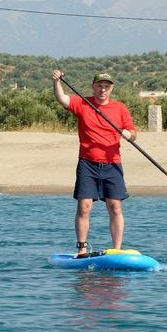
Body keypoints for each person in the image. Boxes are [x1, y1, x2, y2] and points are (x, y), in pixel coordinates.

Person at [52, 70, 137, 257]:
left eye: (106, 87)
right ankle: (82, 249)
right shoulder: (83, 103)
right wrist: (57, 82)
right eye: (99, 86)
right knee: (84, 206)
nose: (102, 90)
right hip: (87, 164)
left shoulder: (120, 108)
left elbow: (132, 131)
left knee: (115, 206)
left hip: (112, 163)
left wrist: (129, 134)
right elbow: (62, 99)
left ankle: (116, 249)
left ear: (111, 89)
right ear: (93, 87)